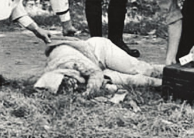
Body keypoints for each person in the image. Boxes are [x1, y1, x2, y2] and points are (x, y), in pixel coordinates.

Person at [34, 37, 164, 95]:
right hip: (98, 69)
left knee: (141, 69)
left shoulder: (67, 59)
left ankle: (174, 70)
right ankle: (169, 84)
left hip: (100, 51)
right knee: (134, 81)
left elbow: (95, 73)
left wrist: (88, 93)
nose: (70, 86)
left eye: (66, 83)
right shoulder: (51, 76)